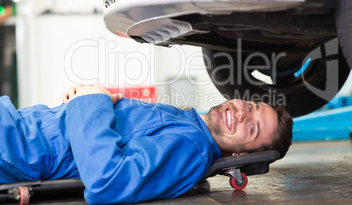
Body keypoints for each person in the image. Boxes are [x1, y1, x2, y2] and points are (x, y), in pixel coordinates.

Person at [0, 84, 293, 204]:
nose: (242, 113)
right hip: (17, 130)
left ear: (240, 153)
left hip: (16, 147)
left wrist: (91, 101)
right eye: (252, 107)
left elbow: (109, 182)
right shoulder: (189, 124)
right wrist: (105, 98)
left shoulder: (192, 147)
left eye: (252, 128)